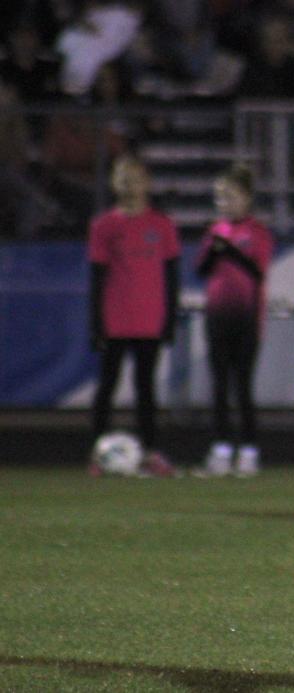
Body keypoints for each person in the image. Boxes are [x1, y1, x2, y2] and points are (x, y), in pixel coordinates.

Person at [88, 154, 180, 477]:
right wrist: (95, 323)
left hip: (149, 320)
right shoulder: (104, 226)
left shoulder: (161, 225)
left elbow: (172, 277)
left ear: (147, 183)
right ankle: (98, 453)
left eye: (135, 178)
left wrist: (169, 319)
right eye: (123, 177)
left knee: (146, 389)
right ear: (114, 183)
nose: (129, 184)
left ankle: (150, 453)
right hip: (115, 319)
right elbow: (97, 278)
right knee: (107, 386)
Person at [193, 164, 273, 478]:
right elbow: (201, 270)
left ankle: (249, 451)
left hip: (247, 318)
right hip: (217, 316)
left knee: (242, 386)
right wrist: (215, 251)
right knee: (219, 385)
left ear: (248, 198)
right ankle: (222, 449)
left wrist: (230, 251)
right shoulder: (215, 231)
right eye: (220, 198)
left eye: (230, 197)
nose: (224, 203)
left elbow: (257, 271)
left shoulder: (257, 233)